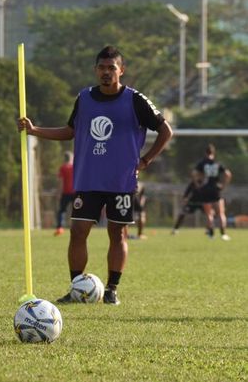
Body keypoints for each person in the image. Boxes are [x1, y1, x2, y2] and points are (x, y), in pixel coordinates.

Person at [18, 45, 172, 305]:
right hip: (88, 178)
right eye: (102, 68)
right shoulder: (85, 98)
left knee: (117, 234)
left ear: (121, 70)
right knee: (77, 231)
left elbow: (165, 130)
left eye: (111, 68)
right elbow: (70, 131)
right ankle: (77, 286)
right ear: (95, 70)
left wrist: (146, 159)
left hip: (121, 181)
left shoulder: (135, 99)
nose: (106, 73)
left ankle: (112, 289)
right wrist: (35, 131)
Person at [193, 144, 232, 240]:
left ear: (205, 153)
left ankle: (211, 235)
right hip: (216, 188)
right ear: (213, 153)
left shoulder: (202, 163)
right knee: (221, 213)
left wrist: (197, 184)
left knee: (209, 213)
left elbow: (194, 173)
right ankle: (223, 234)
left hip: (206, 188)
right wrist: (224, 185)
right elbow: (228, 174)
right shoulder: (217, 162)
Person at [54, 151, 75, 236]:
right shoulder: (75, 167)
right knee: (77, 211)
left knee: (62, 211)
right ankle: (76, 226)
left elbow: (61, 181)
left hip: (65, 193)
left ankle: (60, 228)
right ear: (71, 158)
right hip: (75, 192)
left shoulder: (63, 168)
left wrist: (59, 192)